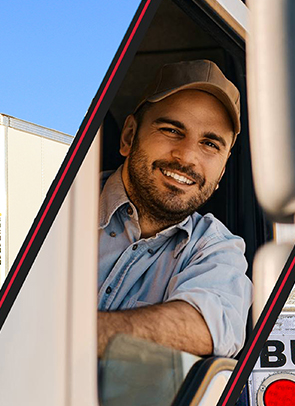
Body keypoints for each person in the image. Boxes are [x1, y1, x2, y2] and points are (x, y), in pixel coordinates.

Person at [97, 60, 250, 360]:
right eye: (171, 130)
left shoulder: (218, 249)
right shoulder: (59, 205)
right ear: (129, 136)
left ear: (222, 170)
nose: (187, 157)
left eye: (210, 144)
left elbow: (208, 326)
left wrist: (59, 337)